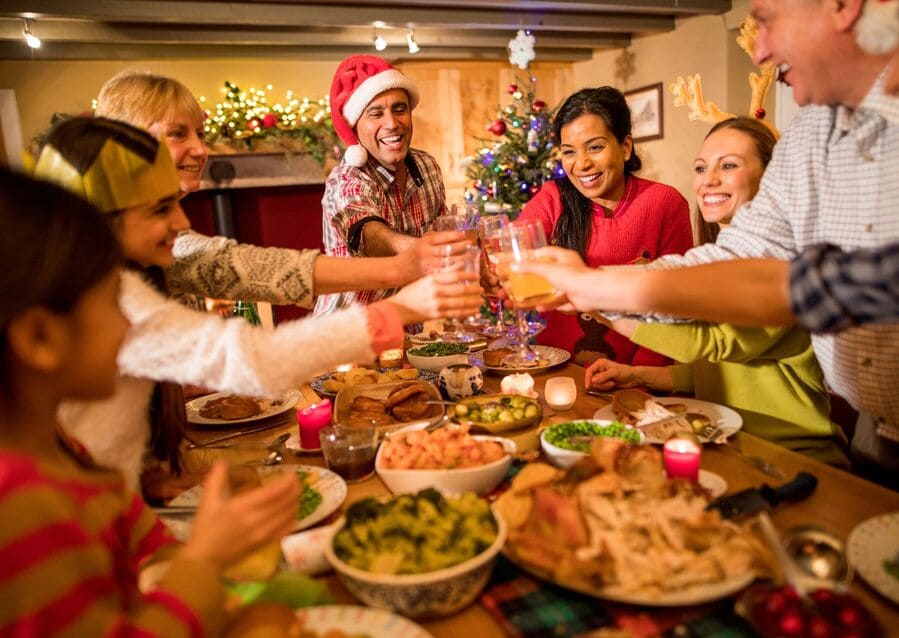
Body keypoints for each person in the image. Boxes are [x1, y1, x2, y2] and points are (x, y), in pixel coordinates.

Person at [514, 0, 899, 485]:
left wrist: (594, 291)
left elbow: (729, 327)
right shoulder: (811, 133)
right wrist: (598, 296)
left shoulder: (664, 202)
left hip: (790, 449)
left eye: (768, 19)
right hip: (855, 433)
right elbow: (735, 261)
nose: (758, 49)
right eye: (701, 168)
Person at [35, 116, 483, 491]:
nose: (182, 221)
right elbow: (256, 361)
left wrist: (162, 484)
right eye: (159, 209)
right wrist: (399, 310)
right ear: (92, 220)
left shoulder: (110, 281)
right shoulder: (111, 302)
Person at [0, 167, 299, 636]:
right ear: (40, 337)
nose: (129, 324)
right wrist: (204, 558)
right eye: (113, 302)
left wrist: (210, 540)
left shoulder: (65, 452)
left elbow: (147, 542)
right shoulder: (20, 507)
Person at [584, 117, 846, 464]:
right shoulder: (711, 262)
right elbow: (716, 369)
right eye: (700, 167)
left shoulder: (777, 264)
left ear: (771, 179)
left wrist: (599, 301)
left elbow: (713, 342)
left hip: (798, 456)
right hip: (728, 445)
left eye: (729, 165)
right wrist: (634, 374)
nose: (709, 179)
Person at [94, 69, 467, 310]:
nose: (200, 149)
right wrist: (402, 269)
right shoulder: (95, 249)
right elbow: (255, 269)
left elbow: (238, 272)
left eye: (202, 134)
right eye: (178, 133)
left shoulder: (427, 166)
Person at [516, 86, 693, 366]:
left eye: (595, 147)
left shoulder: (664, 203)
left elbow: (675, 306)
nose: (582, 164)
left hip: (637, 381)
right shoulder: (552, 198)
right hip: (559, 374)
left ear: (625, 147)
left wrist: (638, 381)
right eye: (569, 152)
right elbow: (513, 254)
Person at [314, 55, 457, 315]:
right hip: (347, 334)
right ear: (356, 126)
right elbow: (370, 236)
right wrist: (421, 251)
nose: (392, 123)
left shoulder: (427, 167)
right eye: (375, 114)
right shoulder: (346, 179)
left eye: (399, 109)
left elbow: (442, 228)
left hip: (406, 327)